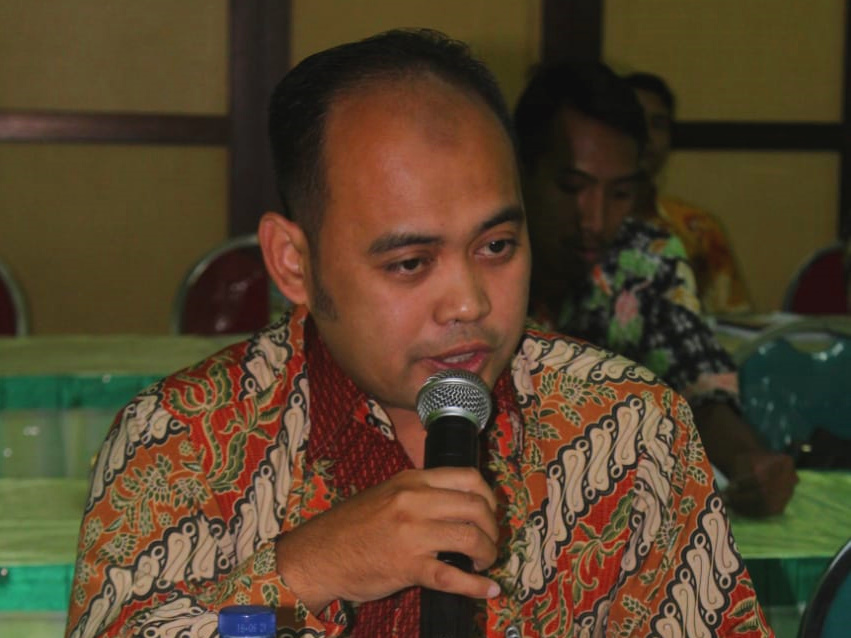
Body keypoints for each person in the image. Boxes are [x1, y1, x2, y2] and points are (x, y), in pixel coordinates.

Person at [67, 31, 772, 637]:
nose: (468, 303)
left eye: (496, 246)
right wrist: (305, 570)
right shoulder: (179, 439)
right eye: (409, 263)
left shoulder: (629, 428)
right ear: (294, 263)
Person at [516, 60, 797, 520]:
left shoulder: (646, 260)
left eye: (619, 194)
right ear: (520, 170)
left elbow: (698, 382)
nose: (594, 220)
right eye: (572, 187)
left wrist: (750, 459)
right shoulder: (474, 259)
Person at [624, 71, 753, 315]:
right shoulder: (589, 225)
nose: (647, 136)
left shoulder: (697, 228)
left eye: (658, 124)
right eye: (634, 121)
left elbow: (734, 322)